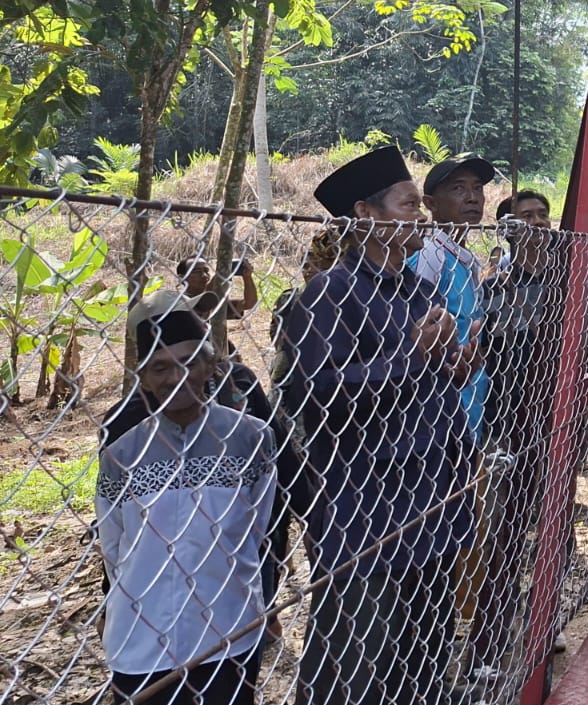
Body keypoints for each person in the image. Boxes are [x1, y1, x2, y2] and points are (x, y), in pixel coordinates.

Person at [277, 146, 478, 705]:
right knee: (358, 656)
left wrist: (454, 364)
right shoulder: (327, 295)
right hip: (366, 509)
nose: (420, 214)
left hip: (432, 496)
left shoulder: (419, 289)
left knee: (428, 647)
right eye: (409, 204)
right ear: (366, 215)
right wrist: (415, 356)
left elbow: (430, 381)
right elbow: (314, 391)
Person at [97, 309, 276, 705]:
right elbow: (114, 549)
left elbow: (257, 526)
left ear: (211, 364)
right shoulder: (121, 454)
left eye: (188, 361)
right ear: (142, 376)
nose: (175, 378)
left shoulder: (250, 438)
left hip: (229, 632)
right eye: (159, 367)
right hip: (141, 642)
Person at [464, 192, 588, 675]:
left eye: (543, 215)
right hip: (511, 422)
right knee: (506, 530)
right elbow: (487, 353)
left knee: (558, 521)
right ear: (506, 228)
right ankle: (490, 641)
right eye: (526, 217)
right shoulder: (494, 286)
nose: (539, 223)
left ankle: (545, 614)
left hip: (562, 420)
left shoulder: (575, 284)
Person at [411, 154, 496, 439]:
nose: (472, 198)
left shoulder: (464, 259)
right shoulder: (431, 254)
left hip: (467, 402)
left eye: (477, 188)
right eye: (458, 189)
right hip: (440, 408)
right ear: (431, 204)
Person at [179, 257, 259, 320]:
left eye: (206, 271)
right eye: (197, 271)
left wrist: (247, 277)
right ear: (182, 278)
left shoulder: (214, 302)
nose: (204, 275)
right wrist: (219, 276)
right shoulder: (179, 302)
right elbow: (201, 303)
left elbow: (249, 303)